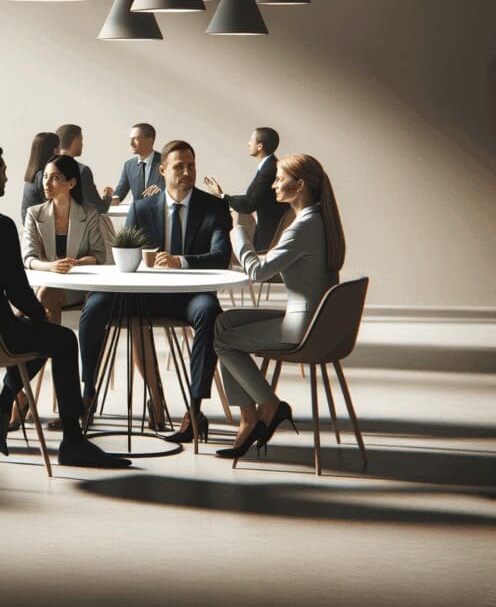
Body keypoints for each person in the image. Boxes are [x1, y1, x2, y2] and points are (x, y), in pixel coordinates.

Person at [0, 144, 129, 469]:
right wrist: (39, 317)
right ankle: (72, 442)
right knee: (62, 341)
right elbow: (19, 293)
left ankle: (3, 404)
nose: (8, 177)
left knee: (40, 334)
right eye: (4, 171)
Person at [76, 140, 231, 441]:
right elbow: (125, 252)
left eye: (191, 166)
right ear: (162, 171)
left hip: (189, 298)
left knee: (210, 312)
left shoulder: (213, 207)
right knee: (95, 305)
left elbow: (221, 256)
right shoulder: (142, 207)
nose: (186, 172)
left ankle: (195, 410)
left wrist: (180, 261)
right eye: (179, 167)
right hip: (142, 296)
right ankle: (88, 393)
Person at [212, 154, 344, 458]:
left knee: (222, 341)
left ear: (299, 186)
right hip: (318, 321)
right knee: (224, 322)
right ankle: (249, 418)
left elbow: (258, 273)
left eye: (279, 179)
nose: (273, 186)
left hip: (303, 329)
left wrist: (238, 232)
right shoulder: (319, 221)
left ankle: (270, 404)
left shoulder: (302, 227)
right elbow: (281, 267)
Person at [23, 155, 107, 320]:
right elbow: (28, 258)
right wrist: (51, 266)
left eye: (55, 178)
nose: (47, 183)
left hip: (78, 284)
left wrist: (75, 263)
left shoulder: (89, 213)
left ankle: (40, 332)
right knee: (47, 292)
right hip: (46, 280)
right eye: (45, 176)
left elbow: (99, 255)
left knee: (46, 294)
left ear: (71, 183)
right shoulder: (34, 214)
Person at [204, 127, 289, 251]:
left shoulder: (269, 169)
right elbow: (251, 198)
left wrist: (222, 196)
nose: (248, 143)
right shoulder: (268, 166)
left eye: (251, 140)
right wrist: (222, 194)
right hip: (269, 232)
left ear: (259, 146)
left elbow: (250, 204)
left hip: (271, 234)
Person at [25, 125, 113, 217]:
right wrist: (108, 196)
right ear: (75, 142)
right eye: (81, 140)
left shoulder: (39, 171)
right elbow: (99, 208)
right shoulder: (82, 171)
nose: (82, 144)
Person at [102, 122, 164, 205]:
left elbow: (178, 190)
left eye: (136, 139)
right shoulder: (129, 165)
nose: (131, 144)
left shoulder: (166, 162)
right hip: (137, 212)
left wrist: (163, 191)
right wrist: (109, 197)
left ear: (149, 141)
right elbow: (119, 194)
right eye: (130, 139)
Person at [20, 132, 59, 221]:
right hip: (37, 223)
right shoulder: (42, 175)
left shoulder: (34, 172)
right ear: (55, 150)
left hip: (30, 221)